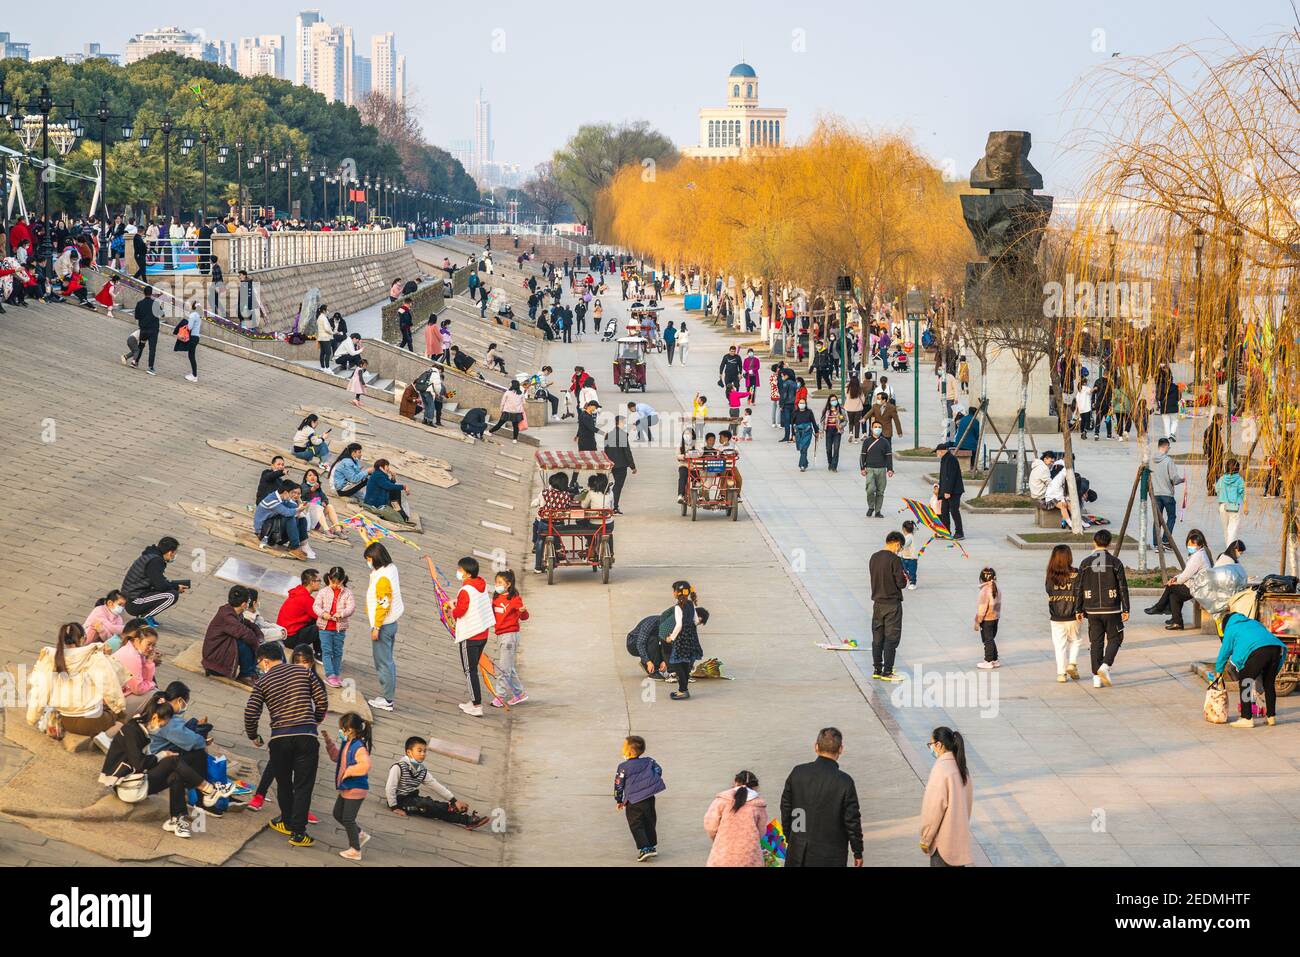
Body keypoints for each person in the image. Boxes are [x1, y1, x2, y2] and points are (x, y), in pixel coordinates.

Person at [100, 702, 236, 840]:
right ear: (154, 717)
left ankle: (177, 820)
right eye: (163, 724)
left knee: (176, 774)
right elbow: (140, 764)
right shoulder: (131, 731)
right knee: (172, 761)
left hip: (139, 782)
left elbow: (143, 763)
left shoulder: (142, 729)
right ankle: (209, 791)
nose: (161, 729)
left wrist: (163, 758)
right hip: (126, 788)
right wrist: (162, 755)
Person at [244, 642, 329, 847]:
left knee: (284, 783)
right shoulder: (303, 672)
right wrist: (313, 721)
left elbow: (251, 712)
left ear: (264, 661)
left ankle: (286, 821)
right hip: (306, 737)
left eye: (259, 663)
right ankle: (298, 833)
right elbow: (322, 701)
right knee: (303, 785)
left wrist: (254, 736)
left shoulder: (263, 682)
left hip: (279, 739)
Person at [780, 727, 864, 867]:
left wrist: (791, 836)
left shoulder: (798, 772)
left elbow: (786, 808)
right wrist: (858, 851)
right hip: (831, 855)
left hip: (799, 852)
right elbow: (852, 821)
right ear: (840, 749)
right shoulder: (845, 781)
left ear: (816, 747)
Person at [386, 735, 489, 828]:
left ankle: (464, 818)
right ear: (409, 752)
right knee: (429, 805)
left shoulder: (421, 770)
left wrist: (454, 800)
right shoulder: (398, 767)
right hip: (400, 801)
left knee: (434, 809)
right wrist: (394, 807)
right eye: (419, 750)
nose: (423, 754)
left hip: (413, 799)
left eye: (425, 751)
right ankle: (458, 814)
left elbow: (435, 785)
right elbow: (390, 788)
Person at [1074, 529, 1130, 688]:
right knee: (1116, 638)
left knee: (1096, 643)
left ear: (1094, 541)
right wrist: (1126, 608)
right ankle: (1105, 666)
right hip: (1111, 608)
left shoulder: (1085, 563)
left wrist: (1078, 609)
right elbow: (1122, 587)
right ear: (1110, 543)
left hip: (1091, 610)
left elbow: (1079, 587)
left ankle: (1096, 678)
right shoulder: (1116, 562)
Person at [1213, 612, 1289, 728]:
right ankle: (1271, 717)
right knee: (1269, 683)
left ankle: (1246, 717)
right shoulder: (1254, 623)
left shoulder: (1231, 628)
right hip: (1276, 648)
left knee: (1245, 681)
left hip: (1258, 651)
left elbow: (1224, 652)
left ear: (1225, 624)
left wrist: (1218, 672)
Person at [919, 727, 974, 866]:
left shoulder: (941, 770)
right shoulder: (962, 770)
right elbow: (967, 807)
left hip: (943, 846)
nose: (930, 748)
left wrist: (925, 839)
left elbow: (933, 810)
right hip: (959, 845)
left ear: (939, 745)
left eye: (930, 745)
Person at [322, 712, 373, 862]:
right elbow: (337, 757)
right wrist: (328, 742)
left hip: (356, 788)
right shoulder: (348, 743)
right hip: (347, 787)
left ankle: (355, 850)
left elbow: (366, 765)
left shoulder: (358, 747)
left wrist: (349, 772)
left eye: (341, 728)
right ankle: (360, 834)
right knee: (338, 814)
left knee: (348, 818)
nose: (340, 731)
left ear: (349, 729)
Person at [448, 556, 494, 717]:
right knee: (473, 669)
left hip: (471, 635)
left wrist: (452, 609)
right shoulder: (480, 585)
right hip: (483, 634)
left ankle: (476, 705)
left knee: (470, 670)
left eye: (460, 570)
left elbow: (460, 611)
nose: (458, 572)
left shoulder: (466, 589)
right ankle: (473, 700)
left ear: (467, 573)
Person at [1142, 528, 1212, 630]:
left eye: (1193, 544)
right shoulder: (1198, 554)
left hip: (1200, 588)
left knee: (1172, 589)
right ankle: (1177, 621)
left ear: (1200, 545)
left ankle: (1160, 607)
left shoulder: (1198, 556)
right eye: (1189, 544)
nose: (1190, 546)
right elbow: (1186, 573)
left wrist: (1175, 582)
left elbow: (1186, 575)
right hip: (1197, 585)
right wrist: (1175, 579)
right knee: (1174, 595)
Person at [614, 735, 666, 862]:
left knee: (636, 824)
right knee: (650, 821)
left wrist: (619, 800)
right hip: (649, 798)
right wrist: (649, 782)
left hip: (633, 802)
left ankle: (645, 848)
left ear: (629, 752)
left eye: (623, 746)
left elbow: (618, 784)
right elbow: (659, 770)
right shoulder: (649, 761)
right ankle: (652, 845)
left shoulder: (623, 767)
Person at [364, 541, 403, 713]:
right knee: (388, 661)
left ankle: (387, 699)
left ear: (374, 559)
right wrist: (366, 538)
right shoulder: (390, 568)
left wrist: (376, 627)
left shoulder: (382, 579)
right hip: (392, 623)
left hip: (383, 626)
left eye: (368, 559)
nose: (368, 563)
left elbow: (383, 604)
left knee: (383, 663)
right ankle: (388, 696)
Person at [201, 585, 264, 685]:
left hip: (217, 655)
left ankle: (251, 671)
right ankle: (246, 674)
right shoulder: (227, 616)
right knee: (244, 644)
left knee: (248, 639)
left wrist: (259, 634)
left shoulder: (232, 611)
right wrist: (259, 650)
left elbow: (248, 624)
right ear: (244, 604)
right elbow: (247, 634)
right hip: (214, 663)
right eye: (248, 602)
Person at [703, 770, 766, 867]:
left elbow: (710, 825)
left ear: (735, 782)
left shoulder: (722, 800)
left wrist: (719, 839)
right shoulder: (758, 805)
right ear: (755, 786)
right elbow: (761, 832)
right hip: (750, 857)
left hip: (722, 855)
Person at [121, 537, 188, 626]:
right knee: (172, 595)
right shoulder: (155, 561)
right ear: (170, 552)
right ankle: (144, 619)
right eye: (174, 553)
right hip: (133, 601)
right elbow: (161, 585)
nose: (174, 556)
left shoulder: (151, 556)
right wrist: (176, 587)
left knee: (169, 590)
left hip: (134, 596)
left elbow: (158, 581)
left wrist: (174, 585)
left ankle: (148, 615)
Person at [869, 532, 909, 681]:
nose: (899, 550)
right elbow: (901, 583)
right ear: (897, 544)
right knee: (891, 639)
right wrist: (904, 577)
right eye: (900, 547)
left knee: (877, 638)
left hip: (877, 604)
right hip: (892, 604)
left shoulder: (874, 557)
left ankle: (877, 669)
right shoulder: (895, 560)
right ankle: (888, 671)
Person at [490, 569, 529, 707]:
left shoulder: (515, 599)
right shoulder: (495, 598)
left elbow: (524, 617)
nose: (497, 584)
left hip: (510, 636)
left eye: (500, 582)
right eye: (496, 582)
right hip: (500, 635)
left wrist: (523, 612)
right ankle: (519, 693)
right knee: (509, 667)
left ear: (508, 584)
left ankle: (500, 696)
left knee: (503, 669)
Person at [662, 580, 706, 700]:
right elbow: (696, 621)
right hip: (691, 636)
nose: (673, 593)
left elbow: (679, 625)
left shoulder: (678, 607)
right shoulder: (691, 604)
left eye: (674, 590)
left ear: (678, 593)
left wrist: (671, 637)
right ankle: (684, 689)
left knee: (677, 663)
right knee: (686, 663)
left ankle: (683, 690)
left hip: (681, 637)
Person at [1046, 545, 1083, 682]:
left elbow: (1049, 591)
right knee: (1076, 640)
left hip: (1056, 616)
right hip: (1074, 614)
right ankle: (1072, 663)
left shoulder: (1050, 576)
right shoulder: (1077, 574)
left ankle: (1061, 674)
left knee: (1059, 645)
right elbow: (1080, 592)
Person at [255, 479, 316, 559]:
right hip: (264, 534)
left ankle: (302, 544)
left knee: (301, 519)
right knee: (289, 517)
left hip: (274, 531)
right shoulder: (272, 500)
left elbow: (293, 507)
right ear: (285, 492)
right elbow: (287, 512)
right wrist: (298, 510)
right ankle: (294, 547)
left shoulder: (282, 498)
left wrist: (300, 504)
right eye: (292, 493)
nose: (292, 496)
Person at [278, 568, 324, 657]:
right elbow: (321, 616)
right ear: (312, 582)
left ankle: (319, 651)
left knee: (315, 621)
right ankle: (319, 653)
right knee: (322, 625)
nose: (320, 583)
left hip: (284, 634)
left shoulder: (298, 592)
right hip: (290, 638)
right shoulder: (306, 599)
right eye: (319, 580)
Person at [1149, 438, 1184, 547]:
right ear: (1165, 446)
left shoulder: (1151, 461)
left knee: (1157, 519)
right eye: (1168, 447)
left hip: (1155, 494)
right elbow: (1174, 479)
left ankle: (1156, 544)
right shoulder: (1168, 461)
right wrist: (1182, 480)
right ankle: (1165, 540)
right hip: (1167, 494)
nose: (1169, 449)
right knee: (1171, 517)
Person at [859, 421, 895, 518]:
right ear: (871, 428)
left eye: (879, 427)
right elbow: (862, 455)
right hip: (870, 469)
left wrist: (890, 469)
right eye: (875, 427)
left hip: (882, 469)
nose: (877, 428)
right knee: (870, 490)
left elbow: (888, 456)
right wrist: (862, 468)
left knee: (880, 491)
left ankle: (878, 510)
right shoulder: (867, 441)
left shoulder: (885, 442)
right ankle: (871, 506)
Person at [123, 287, 162, 375]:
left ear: (144, 293)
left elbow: (136, 316)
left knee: (141, 345)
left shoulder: (140, 303)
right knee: (152, 348)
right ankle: (150, 367)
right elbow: (162, 314)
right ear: (151, 293)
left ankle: (136, 362)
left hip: (143, 329)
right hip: (153, 330)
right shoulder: (155, 304)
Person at [604, 417, 637, 513]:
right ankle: (614, 506)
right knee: (618, 486)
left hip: (612, 464)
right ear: (620, 422)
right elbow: (627, 452)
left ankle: (611, 505)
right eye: (624, 422)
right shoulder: (622, 435)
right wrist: (633, 466)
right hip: (621, 465)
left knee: (615, 485)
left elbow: (606, 451)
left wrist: (608, 463)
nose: (625, 424)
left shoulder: (608, 435)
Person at [935, 443, 965, 539]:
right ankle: (946, 531)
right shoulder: (944, 459)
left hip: (954, 491)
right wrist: (941, 492)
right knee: (944, 511)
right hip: (946, 491)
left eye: (937, 452)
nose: (937, 454)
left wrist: (948, 491)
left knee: (954, 511)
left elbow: (951, 477)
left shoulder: (951, 459)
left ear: (941, 451)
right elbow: (943, 477)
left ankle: (959, 532)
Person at [975, 567, 1002, 669]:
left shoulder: (984, 591)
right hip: (995, 618)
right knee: (991, 638)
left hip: (987, 619)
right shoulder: (997, 589)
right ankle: (995, 659)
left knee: (987, 640)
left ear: (981, 579)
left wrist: (978, 621)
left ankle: (988, 660)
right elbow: (998, 605)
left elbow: (982, 608)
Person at [1215, 458, 1246, 547]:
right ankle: (1230, 546)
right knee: (1232, 528)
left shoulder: (1221, 479)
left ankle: (1228, 545)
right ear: (1237, 468)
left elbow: (1217, 490)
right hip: (1236, 506)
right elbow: (1242, 492)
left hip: (1223, 506)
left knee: (1226, 528)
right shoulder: (1240, 480)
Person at [175, 300, 202, 382]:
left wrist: (184, 323)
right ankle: (194, 374)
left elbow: (189, 327)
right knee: (191, 355)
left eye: (190, 305)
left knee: (191, 356)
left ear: (193, 307)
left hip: (193, 337)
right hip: (196, 337)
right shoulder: (198, 315)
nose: (189, 306)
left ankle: (194, 375)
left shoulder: (193, 315)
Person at [792, 398, 819, 472]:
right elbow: (792, 423)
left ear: (805, 404)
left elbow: (813, 422)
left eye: (803, 403)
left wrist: (816, 431)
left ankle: (802, 465)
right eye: (800, 403)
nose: (801, 404)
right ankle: (805, 462)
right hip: (798, 433)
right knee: (801, 449)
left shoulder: (809, 412)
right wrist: (793, 435)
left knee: (804, 448)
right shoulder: (795, 412)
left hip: (807, 432)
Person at [820, 395, 846, 471]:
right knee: (828, 449)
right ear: (829, 401)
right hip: (828, 431)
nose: (834, 401)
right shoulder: (826, 410)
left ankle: (834, 466)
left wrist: (841, 425)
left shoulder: (841, 410)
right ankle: (830, 463)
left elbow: (845, 420)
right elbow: (821, 421)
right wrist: (822, 430)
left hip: (837, 431)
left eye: (835, 400)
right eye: (832, 400)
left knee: (836, 449)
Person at [900, 521, 919, 590]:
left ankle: (912, 583)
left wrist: (899, 543)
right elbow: (915, 530)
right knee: (905, 571)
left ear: (904, 529)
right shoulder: (911, 534)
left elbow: (904, 544)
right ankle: (908, 581)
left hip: (911, 558)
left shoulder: (909, 537)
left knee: (911, 571)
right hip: (906, 557)